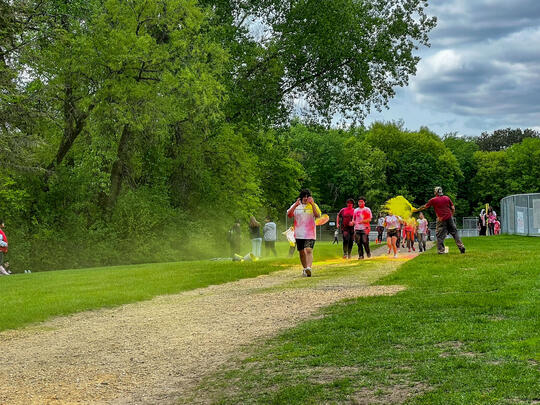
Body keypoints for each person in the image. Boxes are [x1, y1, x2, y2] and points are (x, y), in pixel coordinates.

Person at [414, 186, 465, 254]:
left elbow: (425, 206)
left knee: (440, 235)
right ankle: (461, 246)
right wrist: (451, 215)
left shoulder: (433, 200)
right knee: (455, 233)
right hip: (450, 218)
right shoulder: (447, 198)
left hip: (441, 219)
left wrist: (417, 209)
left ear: (436, 192)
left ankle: (441, 250)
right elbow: (453, 208)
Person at [287, 189, 321, 277]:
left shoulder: (313, 205)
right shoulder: (296, 205)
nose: (306, 198)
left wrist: (312, 204)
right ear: (301, 197)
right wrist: (295, 205)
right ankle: (305, 269)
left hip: (310, 233)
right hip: (299, 233)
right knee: (301, 253)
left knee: (308, 250)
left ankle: (309, 268)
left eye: (307, 196)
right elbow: (289, 215)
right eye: (304, 197)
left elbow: (317, 215)